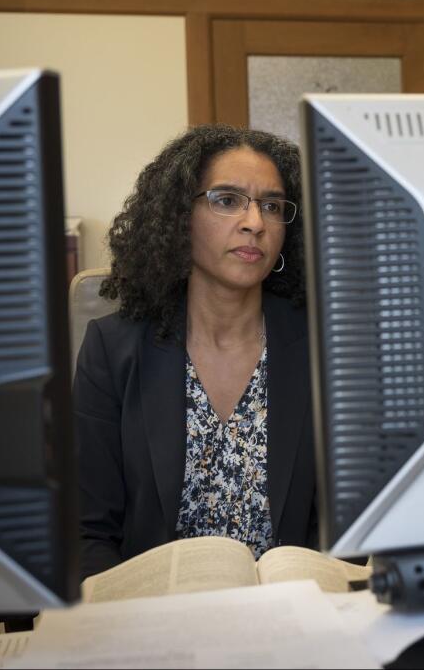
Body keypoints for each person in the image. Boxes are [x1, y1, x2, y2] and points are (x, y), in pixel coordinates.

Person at [74, 124, 315, 579]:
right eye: (227, 201)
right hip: (154, 624)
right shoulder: (112, 350)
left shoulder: (325, 349)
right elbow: (88, 534)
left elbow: (349, 530)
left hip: (293, 618)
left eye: (272, 206)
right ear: (178, 219)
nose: (255, 223)